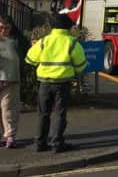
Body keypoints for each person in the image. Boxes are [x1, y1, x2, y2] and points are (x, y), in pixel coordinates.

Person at [25, 13, 87, 153]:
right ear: (68, 28)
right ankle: (57, 144)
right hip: (63, 84)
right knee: (60, 114)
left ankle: (40, 143)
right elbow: (81, 66)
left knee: (43, 114)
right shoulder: (72, 43)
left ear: (51, 26)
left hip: (44, 83)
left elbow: (29, 59)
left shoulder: (43, 41)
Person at [0, 14, 21, 149]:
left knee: (8, 108)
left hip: (10, 78)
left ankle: (10, 136)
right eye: (0, 28)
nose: (3, 31)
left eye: (6, 28)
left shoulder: (16, 41)